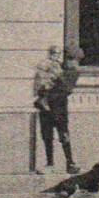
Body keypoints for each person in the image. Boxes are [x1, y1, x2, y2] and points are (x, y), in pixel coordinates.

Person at [32, 44, 82, 175]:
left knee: (63, 134)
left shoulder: (73, 72)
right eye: (68, 59)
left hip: (59, 107)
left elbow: (67, 88)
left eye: (73, 59)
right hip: (46, 107)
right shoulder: (57, 67)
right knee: (47, 135)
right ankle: (50, 163)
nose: (70, 62)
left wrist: (57, 75)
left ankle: (70, 162)